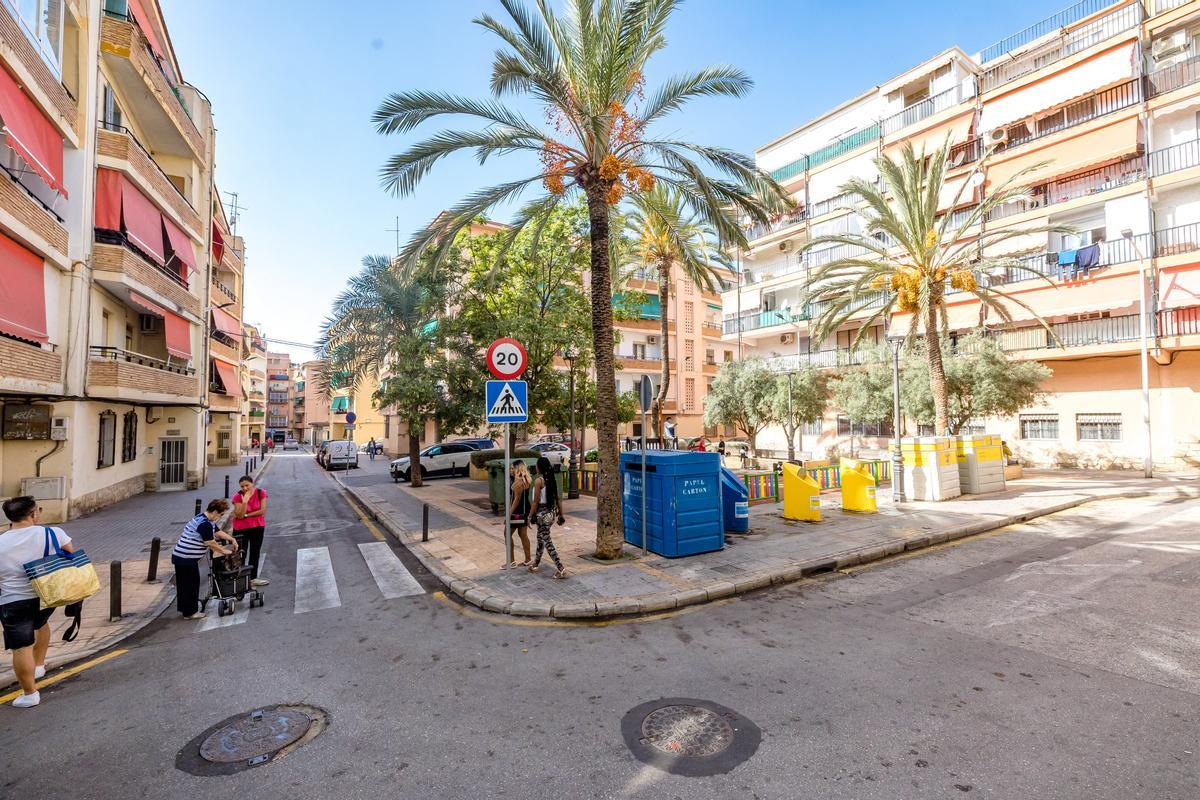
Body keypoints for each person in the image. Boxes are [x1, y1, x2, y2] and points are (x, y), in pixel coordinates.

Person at [0, 497, 76, 708]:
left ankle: (30, 694)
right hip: (46, 596)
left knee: (21, 647)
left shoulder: (1, 542)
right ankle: (39, 665)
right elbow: (70, 553)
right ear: (34, 514)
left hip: (13, 600)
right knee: (41, 624)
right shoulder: (52, 533)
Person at [172, 499, 238, 620]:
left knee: (184, 585)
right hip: (186, 558)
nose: (220, 517)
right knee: (191, 585)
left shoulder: (203, 518)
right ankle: (190, 613)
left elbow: (217, 532)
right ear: (214, 512)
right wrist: (225, 551)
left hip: (180, 556)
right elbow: (210, 542)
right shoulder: (205, 524)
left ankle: (185, 610)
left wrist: (232, 540)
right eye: (220, 514)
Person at [528, 457, 568, 579]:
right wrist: (561, 515)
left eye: (536, 465)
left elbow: (535, 502)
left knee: (546, 540)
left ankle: (561, 568)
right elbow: (558, 499)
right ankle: (535, 564)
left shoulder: (538, 481)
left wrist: (529, 516)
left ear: (540, 467)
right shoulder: (552, 480)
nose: (535, 467)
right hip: (551, 514)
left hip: (541, 514)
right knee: (541, 538)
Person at [231, 476, 269, 587]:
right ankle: (240, 579)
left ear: (252, 484)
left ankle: (253, 578)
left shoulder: (260, 493)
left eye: (247, 485)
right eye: (242, 486)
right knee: (241, 553)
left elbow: (262, 511)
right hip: (240, 528)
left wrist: (247, 515)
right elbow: (240, 515)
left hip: (257, 526)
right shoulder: (237, 497)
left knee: (255, 552)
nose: (245, 488)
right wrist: (245, 502)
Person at [502, 461, 533, 569]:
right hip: (525, 510)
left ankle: (511, 561)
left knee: (507, 533)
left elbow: (516, 500)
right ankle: (528, 559)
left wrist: (509, 513)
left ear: (517, 469)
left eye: (512, 468)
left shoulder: (518, 482)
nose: (510, 470)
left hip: (517, 512)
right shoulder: (526, 480)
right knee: (523, 534)